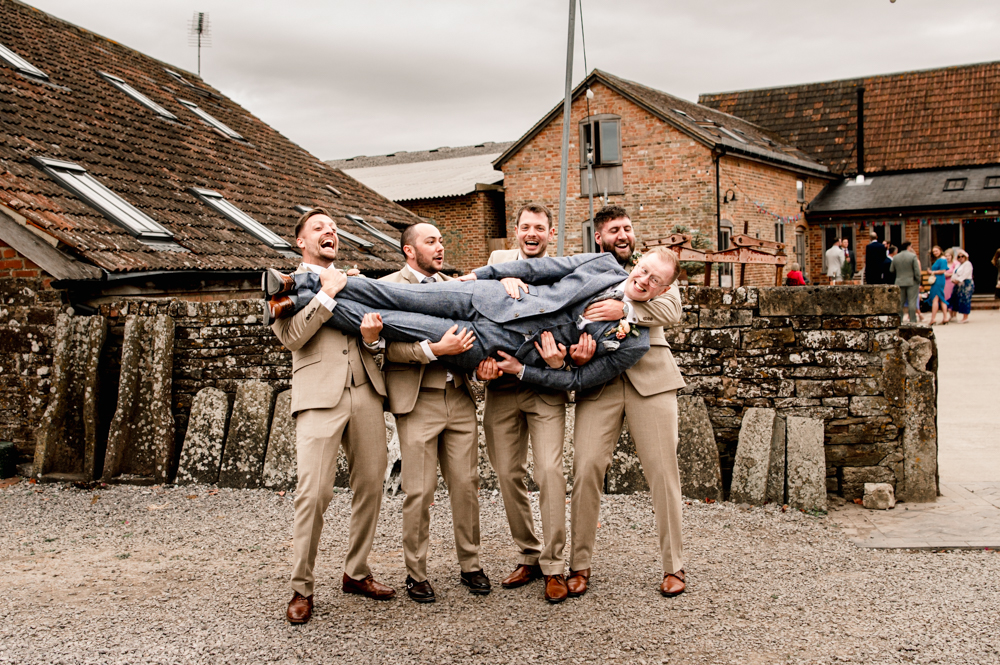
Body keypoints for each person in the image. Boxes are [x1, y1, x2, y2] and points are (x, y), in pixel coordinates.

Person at [271, 208, 395, 626]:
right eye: (320, 228)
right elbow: (291, 338)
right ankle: (301, 587)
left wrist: (373, 341)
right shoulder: (284, 285)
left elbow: (375, 343)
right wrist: (326, 295)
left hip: (365, 391)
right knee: (314, 493)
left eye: (334, 229)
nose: (331, 233)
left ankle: (356, 572)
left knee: (371, 486)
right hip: (318, 397)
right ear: (301, 242)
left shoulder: (356, 282)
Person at [558, 205, 688, 600]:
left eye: (628, 228)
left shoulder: (658, 271)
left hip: (652, 380)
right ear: (599, 237)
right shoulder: (590, 273)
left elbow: (673, 309)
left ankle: (674, 566)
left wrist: (627, 309)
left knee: (663, 472)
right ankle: (578, 565)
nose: (623, 235)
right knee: (585, 469)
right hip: (600, 385)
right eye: (614, 229)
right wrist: (574, 356)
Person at [378, 222, 494, 603]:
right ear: (410, 250)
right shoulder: (389, 287)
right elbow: (385, 350)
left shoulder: (457, 286)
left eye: (441, 240)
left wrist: (479, 364)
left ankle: (471, 564)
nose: (440, 247)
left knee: (467, 485)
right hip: (417, 401)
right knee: (419, 491)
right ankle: (416, 573)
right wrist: (434, 350)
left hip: (460, 396)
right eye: (431, 242)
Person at [479, 202, 575, 604]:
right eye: (525, 227)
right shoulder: (498, 260)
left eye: (539, 227)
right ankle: (528, 554)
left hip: (545, 389)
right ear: (515, 232)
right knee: (506, 473)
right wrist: (501, 280)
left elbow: (576, 327)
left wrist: (563, 358)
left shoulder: (565, 274)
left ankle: (554, 566)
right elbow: (477, 311)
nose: (531, 233)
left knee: (550, 471)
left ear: (551, 234)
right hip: (501, 389)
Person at [890, 241, 922, 323]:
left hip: (899, 281)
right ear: (908, 247)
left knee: (900, 302)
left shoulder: (896, 257)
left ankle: (899, 320)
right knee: (912, 301)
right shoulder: (912, 256)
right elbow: (917, 271)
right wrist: (918, 280)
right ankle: (912, 320)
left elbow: (891, 270)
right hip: (911, 282)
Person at [927, 245, 951, 325]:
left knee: (935, 299)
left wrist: (932, 272)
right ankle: (945, 318)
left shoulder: (942, 259)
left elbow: (943, 270)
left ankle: (933, 318)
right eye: (933, 252)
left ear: (940, 250)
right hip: (938, 280)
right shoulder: (939, 259)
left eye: (936, 251)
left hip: (938, 280)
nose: (935, 253)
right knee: (941, 299)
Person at [949, 249, 974, 323]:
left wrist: (958, 280)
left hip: (966, 283)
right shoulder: (958, 265)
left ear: (965, 257)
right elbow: (954, 273)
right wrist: (953, 279)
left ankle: (965, 317)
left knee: (965, 299)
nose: (960, 258)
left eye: (962, 256)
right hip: (958, 284)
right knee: (955, 298)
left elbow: (966, 274)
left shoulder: (968, 264)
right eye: (959, 256)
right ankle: (954, 316)